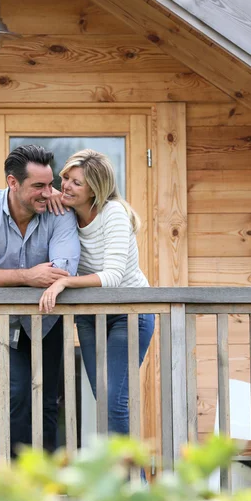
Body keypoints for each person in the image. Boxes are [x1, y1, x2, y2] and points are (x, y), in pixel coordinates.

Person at [0, 144, 80, 456]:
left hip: (49, 320)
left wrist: (5, 275)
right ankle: (10, 486)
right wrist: (26, 276)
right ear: (13, 183)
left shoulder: (59, 213)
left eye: (49, 184)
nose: (47, 192)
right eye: (38, 186)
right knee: (18, 393)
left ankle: (45, 488)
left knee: (48, 400)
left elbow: (62, 271)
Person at [39, 149, 155, 435]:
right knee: (102, 401)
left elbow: (113, 276)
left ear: (96, 189)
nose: (66, 185)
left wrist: (64, 282)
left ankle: (132, 480)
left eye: (77, 183)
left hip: (129, 314)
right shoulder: (65, 213)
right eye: (65, 178)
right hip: (90, 316)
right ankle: (119, 477)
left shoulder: (113, 213)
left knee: (114, 404)